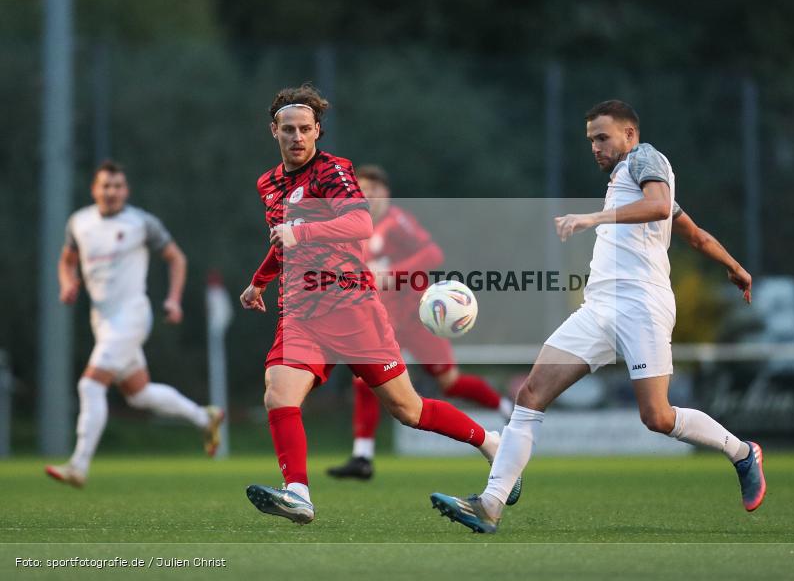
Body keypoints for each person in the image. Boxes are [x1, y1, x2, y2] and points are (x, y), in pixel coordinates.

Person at [430, 100, 765, 533]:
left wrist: (593, 217)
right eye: (590, 139)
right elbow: (694, 234)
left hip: (641, 306)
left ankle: (742, 452)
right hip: (599, 308)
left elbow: (661, 206)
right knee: (531, 394)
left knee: (657, 418)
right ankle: (490, 504)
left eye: (603, 137)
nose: (595, 146)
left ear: (629, 134)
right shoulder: (625, 183)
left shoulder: (646, 159)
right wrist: (735, 266)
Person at [240, 84, 518, 526]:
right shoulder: (268, 183)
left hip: (352, 307)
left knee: (408, 410)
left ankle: (493, 444)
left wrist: (303, 233)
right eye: (288, 129)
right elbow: (283, 240)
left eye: (305, 129)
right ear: (273, 130)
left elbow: (360, 222)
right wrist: (259, 283)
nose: (297, 137)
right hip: (300, 313)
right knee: (278, 393)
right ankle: (298, 494)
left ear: (317, 132)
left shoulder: (333, 172)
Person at [326, 165, 513, 480]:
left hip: (418, 318)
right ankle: (362, 456)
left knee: (450, 383)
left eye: (372, 189)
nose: (366, 196)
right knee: (364, 382)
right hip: (382, 320)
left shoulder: (396, 222)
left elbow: (432, 254)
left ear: (385, 193)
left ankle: (506, 410)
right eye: (361, 190)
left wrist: (392, 274)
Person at [46, 161, 224, 488]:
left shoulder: (141, 223)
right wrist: (66, 282)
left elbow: (176, 258)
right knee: (139, 395)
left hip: (131, 316)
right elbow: (67, 259)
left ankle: (78, 465)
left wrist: (173, 298)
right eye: (105, 186)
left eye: (117, 186)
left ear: (125, 190)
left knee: (90, 385)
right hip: (102, 321)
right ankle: (205, 416)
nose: (111, 192)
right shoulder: (79, 222)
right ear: (94, 189)